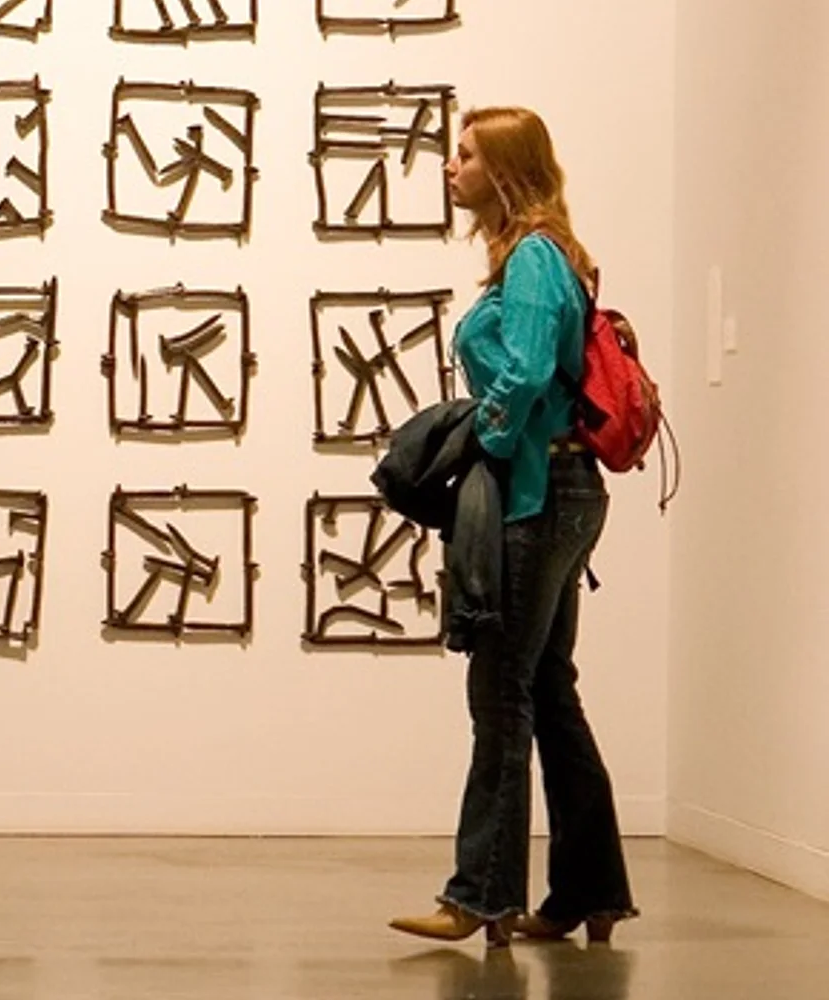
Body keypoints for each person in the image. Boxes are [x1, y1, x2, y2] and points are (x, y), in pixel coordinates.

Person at [387, 107, 638, 948]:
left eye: (463, 155)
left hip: (536, 491)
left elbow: (527, 371)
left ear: (503, 170)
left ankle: (481, 897)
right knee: (549, 692)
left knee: (500, 693)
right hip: (566, 487)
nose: (449, 166)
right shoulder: (545, 255)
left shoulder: (532, 257)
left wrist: (481, 443)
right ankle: (590, 893)